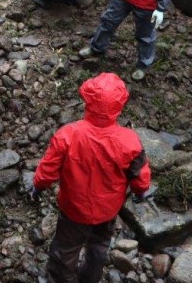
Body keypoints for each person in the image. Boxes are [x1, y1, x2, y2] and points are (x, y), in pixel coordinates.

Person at [28, 73, 152, 283]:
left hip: (74, 208)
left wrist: (38, 185)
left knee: (66, 249)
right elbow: (139, 174)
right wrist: (140, 191)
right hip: (108, 209)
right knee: (99, 247)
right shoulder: (130, 141)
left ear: (87, 100)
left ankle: (61, 279)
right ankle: (90, 278)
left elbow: (48, 169)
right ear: (119, 106)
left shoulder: (67, 135)